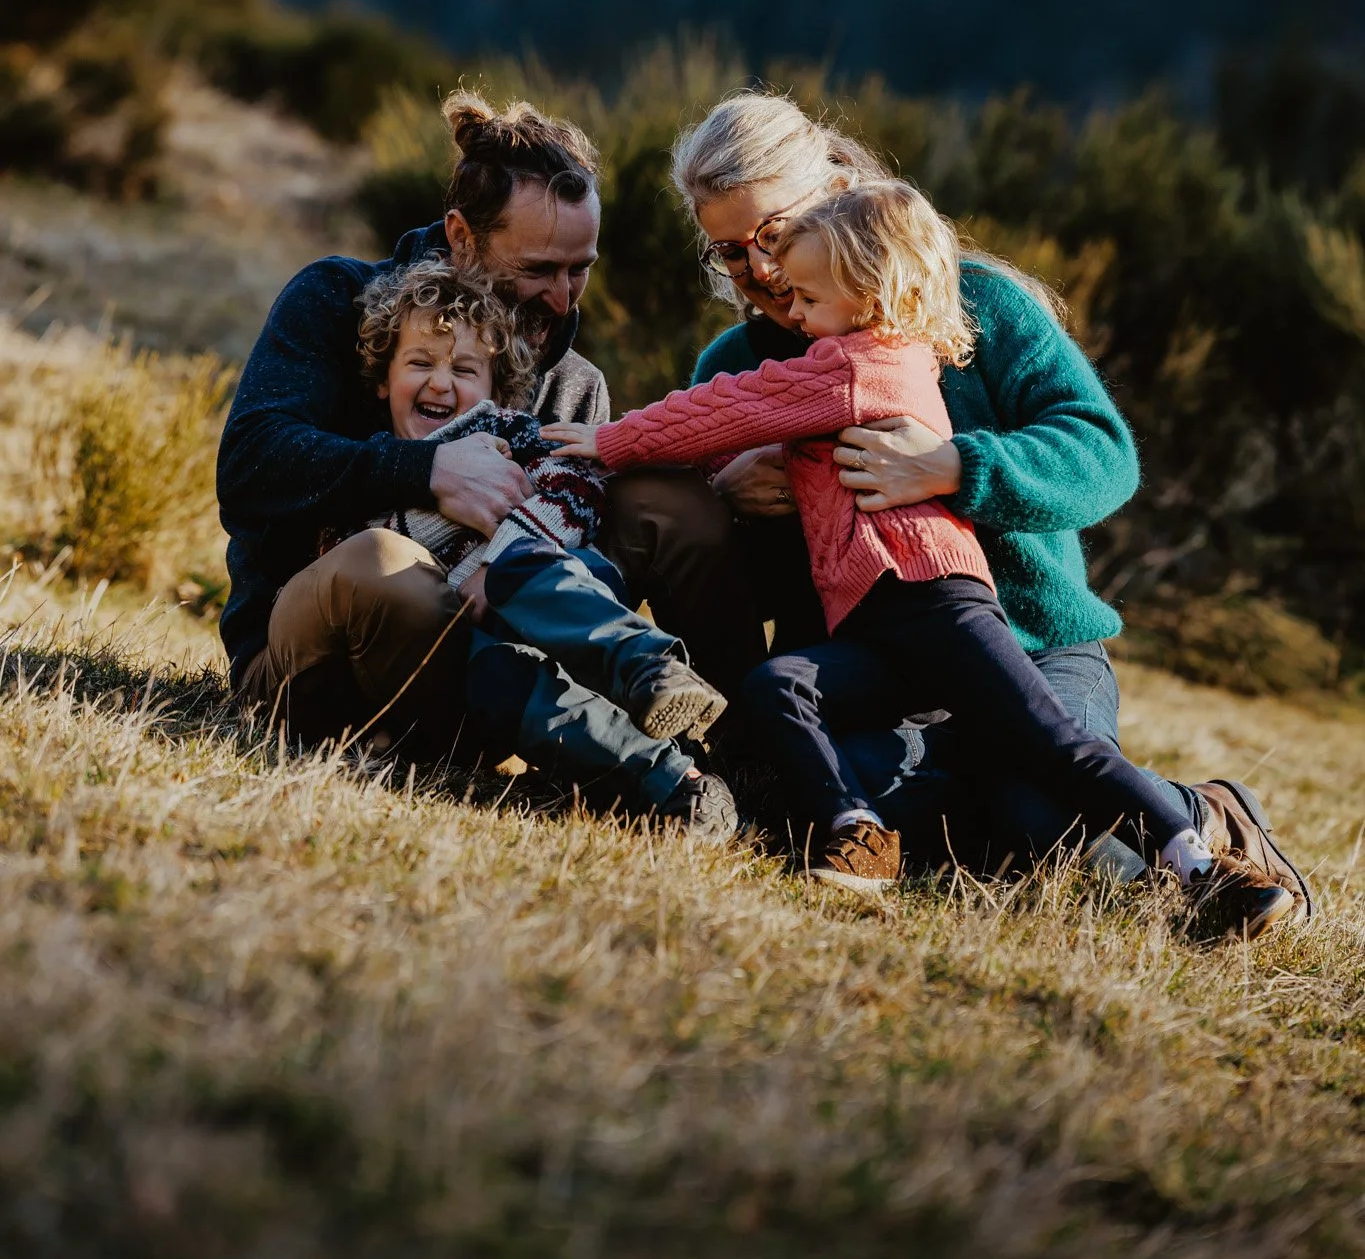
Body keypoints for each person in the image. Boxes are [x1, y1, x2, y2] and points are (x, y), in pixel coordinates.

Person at [548, 182, 1293, 936]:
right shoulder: (798, 343)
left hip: (944, 604)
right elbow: (727, 416)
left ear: (860, 277)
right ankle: (858, 832)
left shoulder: (856, 363)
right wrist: (722, 485)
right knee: (780, 691)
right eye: (728, 251)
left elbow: (730, 409)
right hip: (879, 636)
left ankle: (1203, 856)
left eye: (778, 253)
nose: (771, 285)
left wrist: (605, 442)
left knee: (1049, 761)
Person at [215, 93, 734, 834]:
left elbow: (574, 557)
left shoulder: (572, 383)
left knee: (674, 504)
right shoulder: (335, 301)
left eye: (578, 270)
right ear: (461, 236)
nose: (559, 298)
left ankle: (717, 746)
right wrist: (423, 471)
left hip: (494, 662)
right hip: (322, 662)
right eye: (538, 268)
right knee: (383, 560)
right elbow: (250, 464)